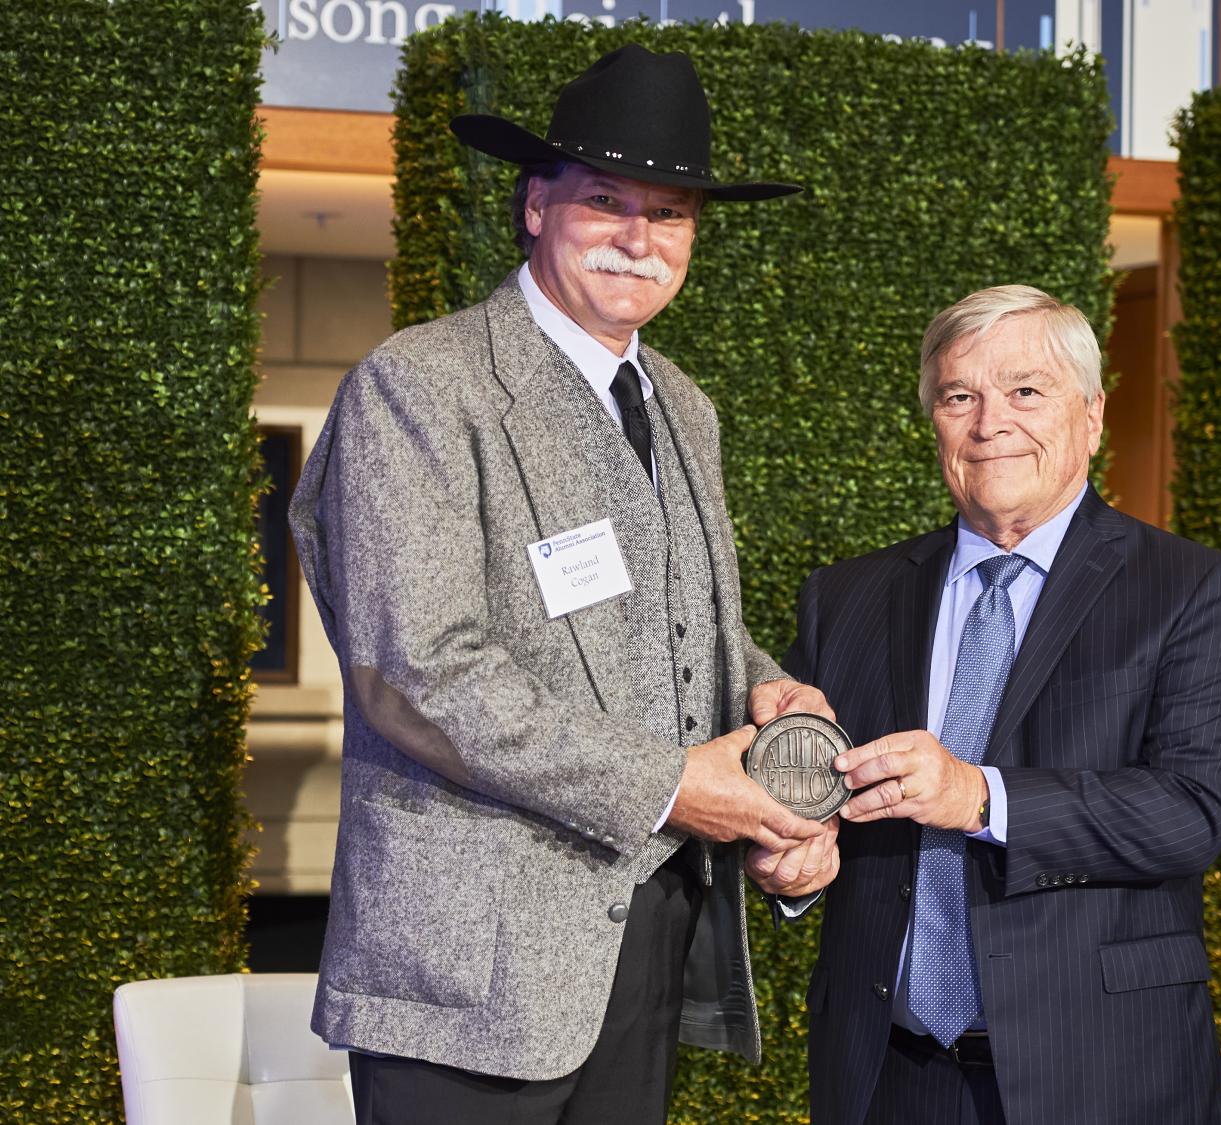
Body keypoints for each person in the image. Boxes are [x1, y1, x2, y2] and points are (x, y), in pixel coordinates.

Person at [289, 44, 837, 1125]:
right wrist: (677, 787)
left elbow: (677, 616)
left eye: (670, 214)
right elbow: (419, 670)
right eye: (606, 202)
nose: (640, 239)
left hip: (643, 936)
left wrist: (771, 695)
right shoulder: (423, 386)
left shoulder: (682, 403)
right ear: (536, 205)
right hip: (466, 969)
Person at [780, 285, 1221, 1124]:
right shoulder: (844, 598)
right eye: (959, 395)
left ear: (1093, 415)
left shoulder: (1189, 590)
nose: (988, 421)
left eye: (1026, 391)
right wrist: (785, 862)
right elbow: (798, 799)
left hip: (1102, 1072)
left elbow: (1190, 813)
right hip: (885, 1077)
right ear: (933, 419)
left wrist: (979, 796)